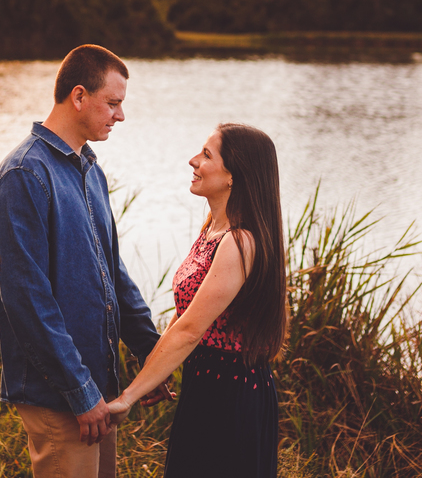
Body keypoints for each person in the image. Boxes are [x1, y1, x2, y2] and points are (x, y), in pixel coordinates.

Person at [0, 44, 173, 478]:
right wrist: (78, 389)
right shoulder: (24, 175)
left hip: (96, 388)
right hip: (62, 396)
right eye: (113, 103)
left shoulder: (88, 167)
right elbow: (27, 300)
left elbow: (113, 275)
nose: (120, 116)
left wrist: (151, 351)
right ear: (78, 96)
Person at [107, 123, 289, 477]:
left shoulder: (240, 242)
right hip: (204, 386)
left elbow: (190, 329)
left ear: (234, 175)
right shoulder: (213, 231)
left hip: (233, 397)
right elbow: (183, 317)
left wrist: (128, 396)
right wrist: (154, 371)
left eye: (207, 155)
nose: (193, 161)